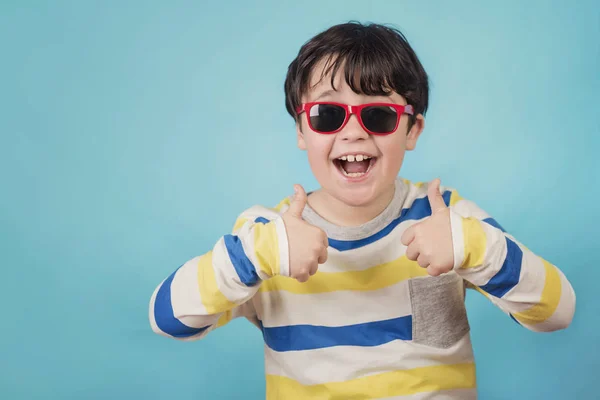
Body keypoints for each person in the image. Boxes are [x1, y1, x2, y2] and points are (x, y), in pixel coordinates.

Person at [149, 21, 575, 399]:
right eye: (327, 114)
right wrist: (256, 254)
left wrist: (475, 246)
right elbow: (168, 319)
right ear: (301, 130)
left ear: (412, 130)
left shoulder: (448, 218)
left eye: (378, 114)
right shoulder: (269, 235)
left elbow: (558, 312)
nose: (353, 132)